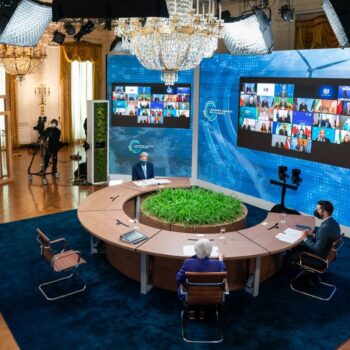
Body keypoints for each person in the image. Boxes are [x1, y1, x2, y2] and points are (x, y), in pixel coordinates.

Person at [176, 239, 225, 315]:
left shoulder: (188, 262)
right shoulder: (217, 264)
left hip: (190, 296)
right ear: (210, 250)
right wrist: (221, 260)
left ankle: (194, 308)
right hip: (212, 296)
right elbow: (223, 273)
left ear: (196, 249)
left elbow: (178, 278)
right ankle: (204, 308)